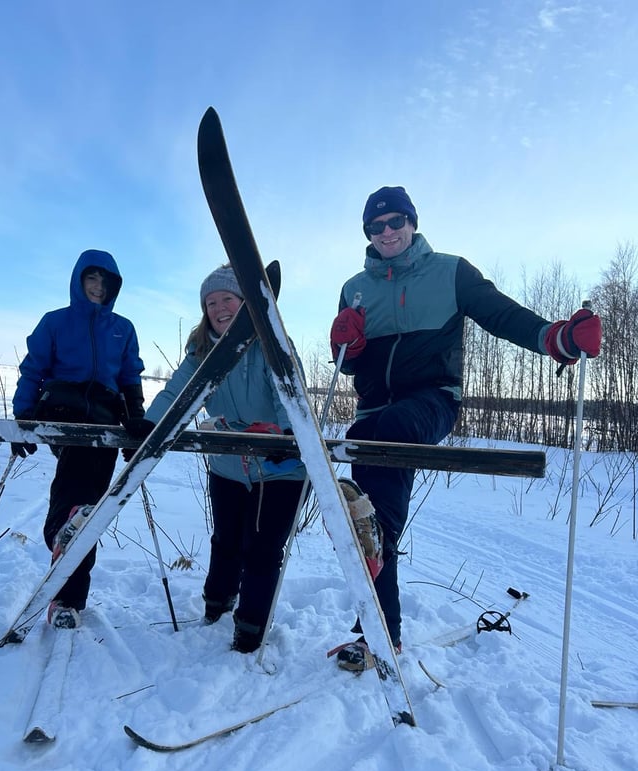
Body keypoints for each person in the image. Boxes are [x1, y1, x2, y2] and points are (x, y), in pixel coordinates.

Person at [329, 186, 602, 670]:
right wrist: (343, 344)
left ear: (412, 222)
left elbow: (501, 314)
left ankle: (375, 560)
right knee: (370, 511)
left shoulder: (450, 271)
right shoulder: (354, 288)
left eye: (395, 221)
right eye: (376, 226)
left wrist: (555, 337)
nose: (387, 232)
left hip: (432, 399)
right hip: (372, 413)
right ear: (368, 233)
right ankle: (381, 635)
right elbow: (347, 363)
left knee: (379, 468)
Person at [127, 263, 306, 653]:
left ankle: (251, 625)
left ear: (246, 303)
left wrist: (287, 437)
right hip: (227, 465)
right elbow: (178, 392)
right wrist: (150, 426)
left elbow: (288, 395)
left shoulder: (272, 341)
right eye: (211, 302)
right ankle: (217, 600)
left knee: (262, 549)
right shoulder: (202, 352)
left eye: (228, 298)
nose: (219, 308)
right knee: (226, 540)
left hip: (280, 468)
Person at [11, 249, 145, 629]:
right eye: (92, 278)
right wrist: (23, 418)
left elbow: (130, 378)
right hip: (62, 407)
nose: (98, 286)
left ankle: (68, 596)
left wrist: (135, 422)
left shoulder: (123, 328)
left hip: (105, 413)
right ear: (79, 280)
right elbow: (33, 370)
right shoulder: (55, 322)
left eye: (105, 281)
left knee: (92, 508)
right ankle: (61, 530)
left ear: (114, 287)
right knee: (77, 478)